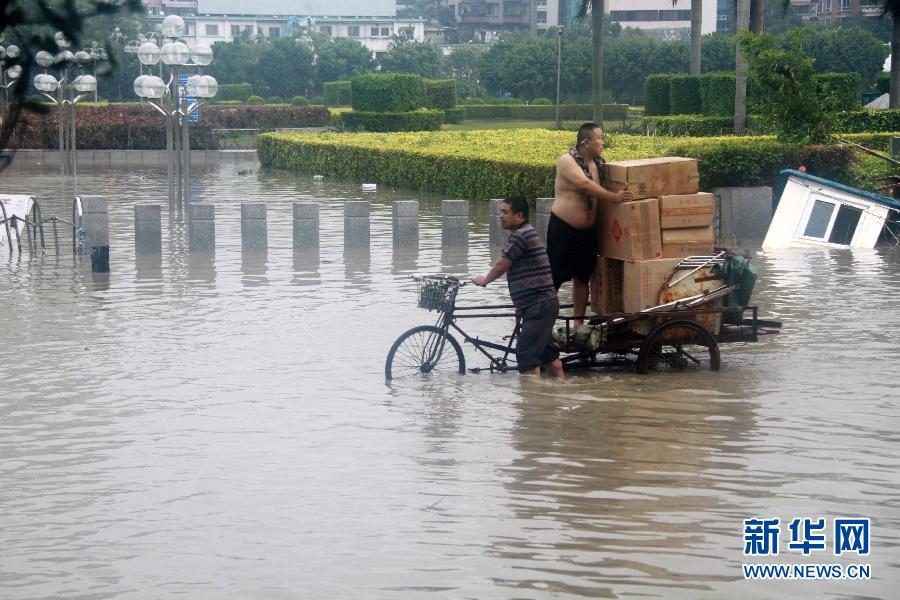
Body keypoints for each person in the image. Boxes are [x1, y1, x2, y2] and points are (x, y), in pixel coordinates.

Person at [548, 122, 634, 326]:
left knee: (582, 279)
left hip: (587, 234)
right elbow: (584, 185)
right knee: (554, 280)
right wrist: (614, 197)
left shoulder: (600, 164)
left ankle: (579, 325)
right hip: (563, 230)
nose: (603, 142)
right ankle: (545, 325)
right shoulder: (567, 161)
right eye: (600, 138)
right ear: (586, 142)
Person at [472, 197, 564, 378]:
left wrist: (484, 281)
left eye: (505, 212)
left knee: (526, 356)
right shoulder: (526, 233)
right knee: (548, 357)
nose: (501, 216)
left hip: (539, 306)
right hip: (541, 305)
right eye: (500, 212)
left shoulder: (520, 235)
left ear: (519, 216)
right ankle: (558, 397)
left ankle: (531, 403)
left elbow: (501, 265)